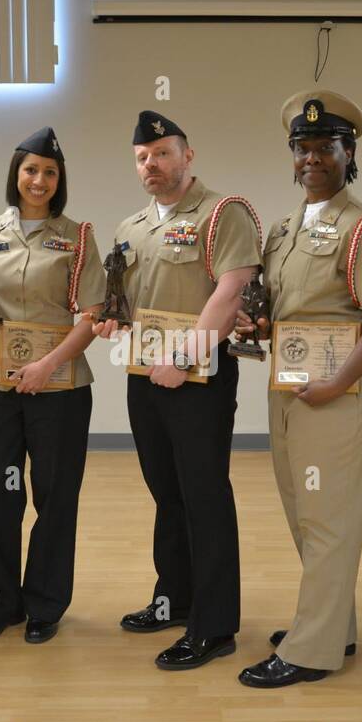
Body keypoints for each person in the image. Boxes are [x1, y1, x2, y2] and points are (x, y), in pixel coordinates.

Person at [233, 90, 362, 688]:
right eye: (302, 148)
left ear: (347, 152)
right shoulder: (283, 229)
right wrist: (254, 325)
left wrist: (338, 383)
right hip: (290, 390)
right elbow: (283, 308)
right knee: (305, 513)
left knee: (329, 517)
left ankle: (312, 650)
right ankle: (335, 623)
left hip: (342, 395)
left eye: (324, 147)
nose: (311, 157)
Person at [92, 110, 261, 671]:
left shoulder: (222, 213)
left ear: (188, 156)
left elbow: (232, 290)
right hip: (145, 379)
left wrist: (186, 355)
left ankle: (214, 627)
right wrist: (111, 322)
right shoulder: (130, 228)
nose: (152, 164)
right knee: (166, 492)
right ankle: (174, 599)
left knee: (204, 495)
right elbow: (125, 301)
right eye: (143, 156)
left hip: (199, 381)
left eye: (163, 153)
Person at [0, 127, 105, 645]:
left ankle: (46, 602)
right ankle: (5, 599)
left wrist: (48, 365)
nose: (38, 180)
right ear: (15, 175)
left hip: (60, 386)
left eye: (49, 172)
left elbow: (92, 315)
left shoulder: (78, 237)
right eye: (30, 170)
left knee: (55, 496)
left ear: (59, 180)